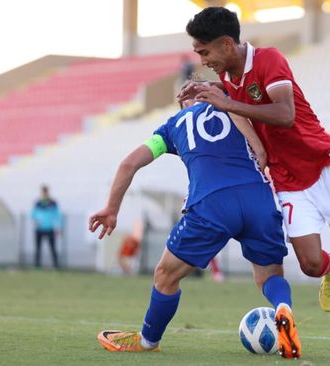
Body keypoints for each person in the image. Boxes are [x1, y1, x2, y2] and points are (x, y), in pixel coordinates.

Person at [179, 7, 330, 358]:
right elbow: (241, 93)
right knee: (310, 265)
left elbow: (285, 114)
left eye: (205, 52)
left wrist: (226, 100)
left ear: (225, 44)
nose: (203, 60)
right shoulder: (231, 75)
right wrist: (214, 91)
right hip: (287, 178)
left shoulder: (269, 59)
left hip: (323, 165)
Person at [89, 97, 302, 358]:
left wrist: (111, 209)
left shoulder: (173, 126)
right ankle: (283, 308)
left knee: (166, 276)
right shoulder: (238, 110)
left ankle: (148, 340)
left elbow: (129, 164)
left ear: (183, 102)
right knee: (270, 277)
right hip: (258, 198)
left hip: (212, 204)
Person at [31, 185, 62, 268]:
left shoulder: (53, 203)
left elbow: (58, 216)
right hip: (39, 229)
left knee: (53, 248)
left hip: (50, 228)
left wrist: (58, 227)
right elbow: (33, 215)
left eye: (45, 191)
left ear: (47, 192)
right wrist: (35, 221)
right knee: (38, 248)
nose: (44, 193)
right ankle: (37, 266)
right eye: (43, 192)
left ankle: (56, 266)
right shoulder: (37, 203)